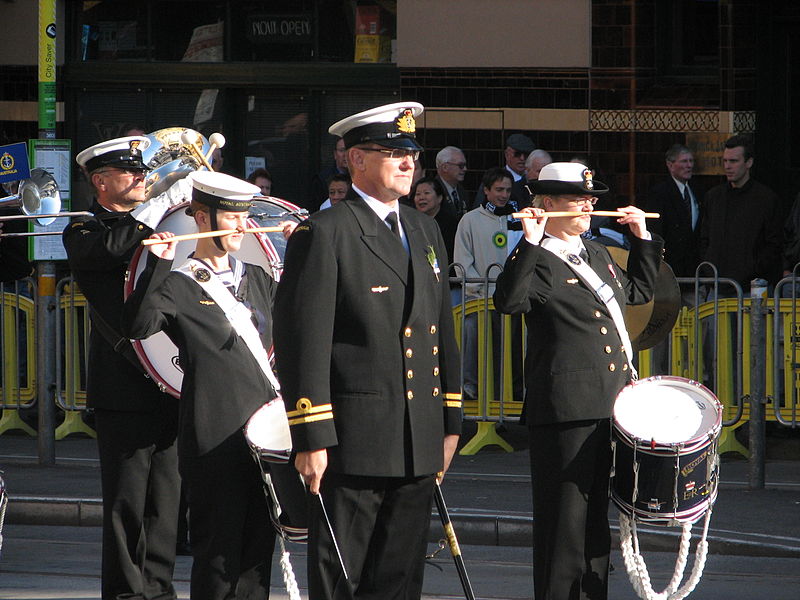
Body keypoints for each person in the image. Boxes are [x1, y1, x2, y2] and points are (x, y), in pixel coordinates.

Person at [273, 102, 462, 600]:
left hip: (417, 435)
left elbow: (441, 328)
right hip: (353, 442)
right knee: (343, 578)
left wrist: (450, 421)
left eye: (412, 153)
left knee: (400, 581)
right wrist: (311, 436)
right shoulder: (326, 231)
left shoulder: (423, 229)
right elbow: (303, 340)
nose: (408, 163)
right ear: (356, 159)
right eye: (393, 152)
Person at [493, 162, 662, 600]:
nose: (589, 206)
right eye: (578, 199)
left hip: (609, 405)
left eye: (591, 200)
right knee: (563, 523)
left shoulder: (597, 252)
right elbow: (509, 302)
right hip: (566, 410)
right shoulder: (540, 258)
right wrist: (527, 242)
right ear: (547, 205)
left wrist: (641, 237)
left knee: (594, 523)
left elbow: (638, 294)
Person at [122, 171, 290, 600]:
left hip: (266, 434)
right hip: (214, 434)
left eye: (245, 215)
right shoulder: (179, 283)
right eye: (231, 216)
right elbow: (139, 326)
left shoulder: (258, 277)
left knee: (256, 558)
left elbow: (304, 318)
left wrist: (305, 248)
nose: (241, 225)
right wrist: (159, 264)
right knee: (217, 558)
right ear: (201, 216)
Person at [63, 136, 183, 600]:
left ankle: (159, 589)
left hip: (171, 379)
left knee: (166, 505)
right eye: (128, 171)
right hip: (124, 386)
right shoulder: (84, 229)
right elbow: (109, 251)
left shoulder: (156, 222)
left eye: (141, 170)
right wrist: (153, 210)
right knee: (127, 503)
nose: (140, 177)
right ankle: (125, 593)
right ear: (100, 182)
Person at [454, 167, 523, 402]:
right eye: (498, 189)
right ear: (486, 191)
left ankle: (510, 394)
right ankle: (471, 389)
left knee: (511, 349)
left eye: (507, 190)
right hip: (479, 299)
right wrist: (480, 290)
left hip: (510, 300)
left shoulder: (518, 220)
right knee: (475, 344)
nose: (504, 195)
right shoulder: (470, 220)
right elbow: (462, 261)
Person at [700, 134, 783, 292]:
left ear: (749, 163)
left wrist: (754, 271)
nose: (727, 166)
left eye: (733, 161)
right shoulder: (714, 197)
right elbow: (704, 239)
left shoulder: (766, 199)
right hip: (717, 287)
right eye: (725, 161)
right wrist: (709, 269)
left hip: (752, 289)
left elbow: (774, 244)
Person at [644, 144, 702, 280]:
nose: (689, 165)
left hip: (694, 268)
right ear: (670, 165)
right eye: (684, 161)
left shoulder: (698, 191)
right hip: (671, 267)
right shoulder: (659, 194)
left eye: (691, 161)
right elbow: (655, 230)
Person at [472, 133, 536, 209]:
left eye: (526, 154)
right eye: (517, 154)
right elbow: (479, 209)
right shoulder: (494, 179)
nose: (522, 158)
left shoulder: (531, 180)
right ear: (507, 154)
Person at [412, 175, 457, 265]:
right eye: (418, 194)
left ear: (439, 198)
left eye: (426, 193)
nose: (421, 197)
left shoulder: (451, 224)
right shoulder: (410, 222)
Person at [310, 136, 349, 212]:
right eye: (342, 150)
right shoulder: (321, 180)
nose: (345, 154)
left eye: (349, 150)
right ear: (335, 154)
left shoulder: (362, 179)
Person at [434, 146, 470, 218]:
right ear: (445, 167)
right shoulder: (432, 190)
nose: (465, 169)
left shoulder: (462, 191)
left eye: (465, 165)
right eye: (461, 165)